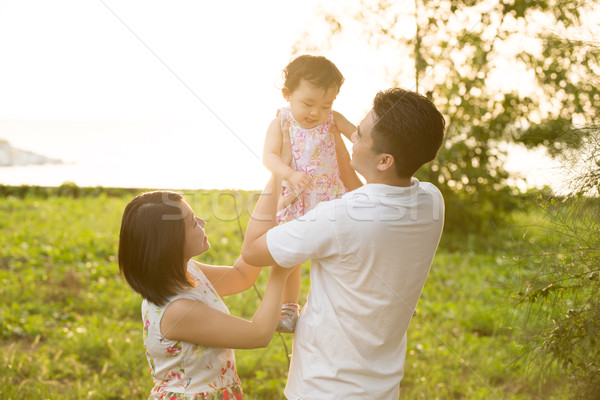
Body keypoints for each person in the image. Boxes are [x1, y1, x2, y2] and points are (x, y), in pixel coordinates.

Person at [243, 88, 446, 399]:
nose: (353, 137)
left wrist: (277, 171)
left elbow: (253, 251)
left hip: (324, 388)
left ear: (385, 160)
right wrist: (332, 135)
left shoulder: (339, 218)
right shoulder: (431, 202)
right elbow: (366, 193)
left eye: (360, 134)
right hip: (382, 387)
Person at [118, 191, 293, 400]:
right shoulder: (178, 311)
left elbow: (242, 276)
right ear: (171, 243)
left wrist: (272, 217)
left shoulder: (186, 271)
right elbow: (259, 334)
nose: (203, 222)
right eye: (193, 222)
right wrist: (280, 272)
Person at [262, 54, 362, 333]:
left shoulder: (332, 119)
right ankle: (288, 308)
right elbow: (269, 157)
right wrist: (290, 173)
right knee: (289, 260)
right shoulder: (282, 122)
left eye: (326, 104)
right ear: (287, 94)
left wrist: (362, 139)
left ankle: (359, 298)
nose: (317, 112)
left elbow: (358, 137)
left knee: (343, 251)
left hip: (330, 200)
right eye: (308, 103)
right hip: (296, 199)